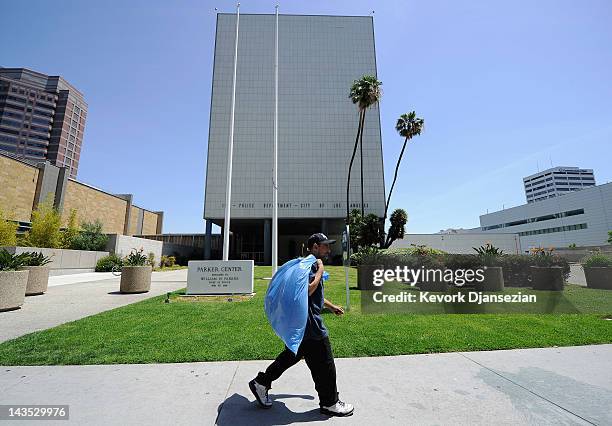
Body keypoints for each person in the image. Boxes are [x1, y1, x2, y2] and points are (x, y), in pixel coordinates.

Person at [249, 233, 354, 417]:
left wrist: (331, 307)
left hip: (302, 325)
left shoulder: (306, 265)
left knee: (291, 355)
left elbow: (315, 295)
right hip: (310, 325)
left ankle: (261, 382)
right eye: (325, 246)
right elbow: (305, 291)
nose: (328, 249)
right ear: (314, 247)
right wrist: (320, 270)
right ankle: (330, 403)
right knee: (325, 365)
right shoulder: (311, 266)